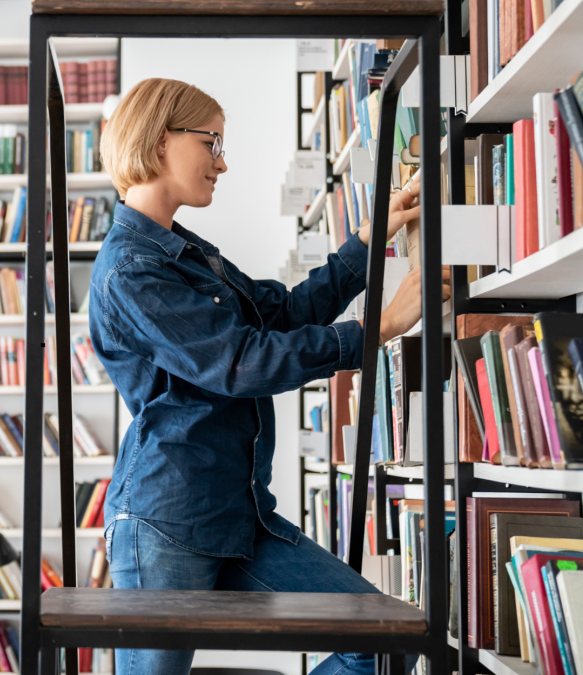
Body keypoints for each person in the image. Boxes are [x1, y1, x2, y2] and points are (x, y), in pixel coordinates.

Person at [88, 77, 449, 675]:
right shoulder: (131, 268)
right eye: (212, 143)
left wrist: (365, 242)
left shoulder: (185, 250)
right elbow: (241, 362)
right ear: (158, 142)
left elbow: (275, 315)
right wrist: (379, 327)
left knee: (384, 639)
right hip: (167, 522)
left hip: (238, 513)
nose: (222, 163)